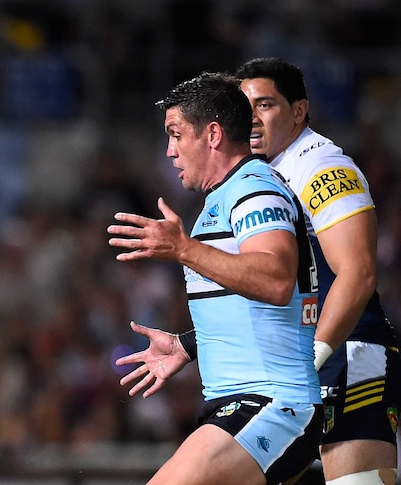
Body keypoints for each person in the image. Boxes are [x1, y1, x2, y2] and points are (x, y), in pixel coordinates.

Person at [107, 72, 323, 485]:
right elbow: (253, 297)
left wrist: (183, 249)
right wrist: (188, 346)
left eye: (175, 134)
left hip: (270, 406)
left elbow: (277, 280)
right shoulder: (225, 198)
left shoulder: (254, 189)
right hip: (245, 404)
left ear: (212, 134)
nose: (169, 151)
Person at [236, 57, 400, 485]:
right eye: (243, 107)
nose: (251, 118)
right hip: (290, 363)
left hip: (348, 353)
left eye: (265, 105)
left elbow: (359, 273)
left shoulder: (322, 167)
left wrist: (315, 357)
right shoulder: (258, 178)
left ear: (298, 110)